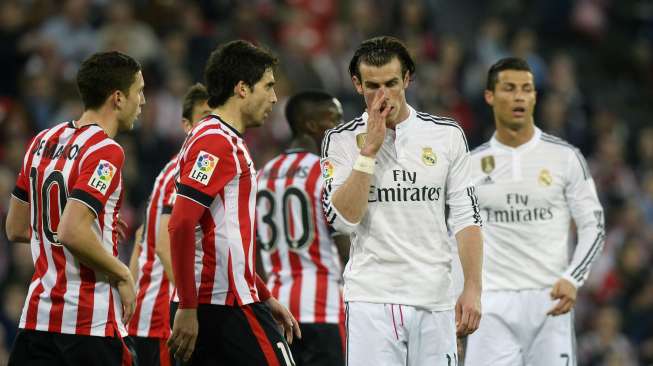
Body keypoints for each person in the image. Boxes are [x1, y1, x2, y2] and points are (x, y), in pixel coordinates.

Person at [320, 35, 483, 366]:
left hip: (434, 298)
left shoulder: (446, 135)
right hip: (371, 298)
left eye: (392, 83)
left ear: (407, 78)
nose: (383, 96)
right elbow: (341, 220)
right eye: (372, 85)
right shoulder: (340, 140)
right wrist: (368, 152)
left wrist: (473, 289)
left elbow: (467, 218)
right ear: (356, 84)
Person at [5, 51, 145, 365]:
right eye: (139, 91)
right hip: (89, 325)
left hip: (38, 320)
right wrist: (122, 273)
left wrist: (87, 234)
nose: (143, 101)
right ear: (118, 98)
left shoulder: (42, 140)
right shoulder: (107, 150)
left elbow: (15, 228)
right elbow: (70, 231)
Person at [166, 40, 301, 365]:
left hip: (219, 301)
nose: (273, 97)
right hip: (223, 307)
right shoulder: (217, 142)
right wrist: (187, 305)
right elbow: (181, 223)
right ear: (242, 88)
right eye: (267, 86)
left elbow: (221, 239)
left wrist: (263, 294)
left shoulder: (212, 136)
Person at [464, 57, 605, 365]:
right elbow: (455, 236)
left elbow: (593, 226)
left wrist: (573, 277)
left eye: (526, 89)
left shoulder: (566, 158)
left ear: (534, 97)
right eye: (509, 88)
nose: (519, 96)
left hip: (549, 300)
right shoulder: (470, 165)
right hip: (492, 305)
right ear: (490, 96)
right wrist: (460, 295)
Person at [256, 90, 349, 366]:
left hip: (277, 310)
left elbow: (255, 250)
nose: (341, 130)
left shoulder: (262, 174)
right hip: (324, 308)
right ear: (311, 125)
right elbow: (345, 244)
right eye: (334, 120)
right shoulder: (328, 172)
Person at [127, 83, 211, 366]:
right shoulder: (185, 171)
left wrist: (130, 293)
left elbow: (142, 235)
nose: (211, 125)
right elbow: (164, 245)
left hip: (147, 315)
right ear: (186, 125)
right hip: (162, 316)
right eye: (204, 116)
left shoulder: (170, 169)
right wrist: (192, 307)